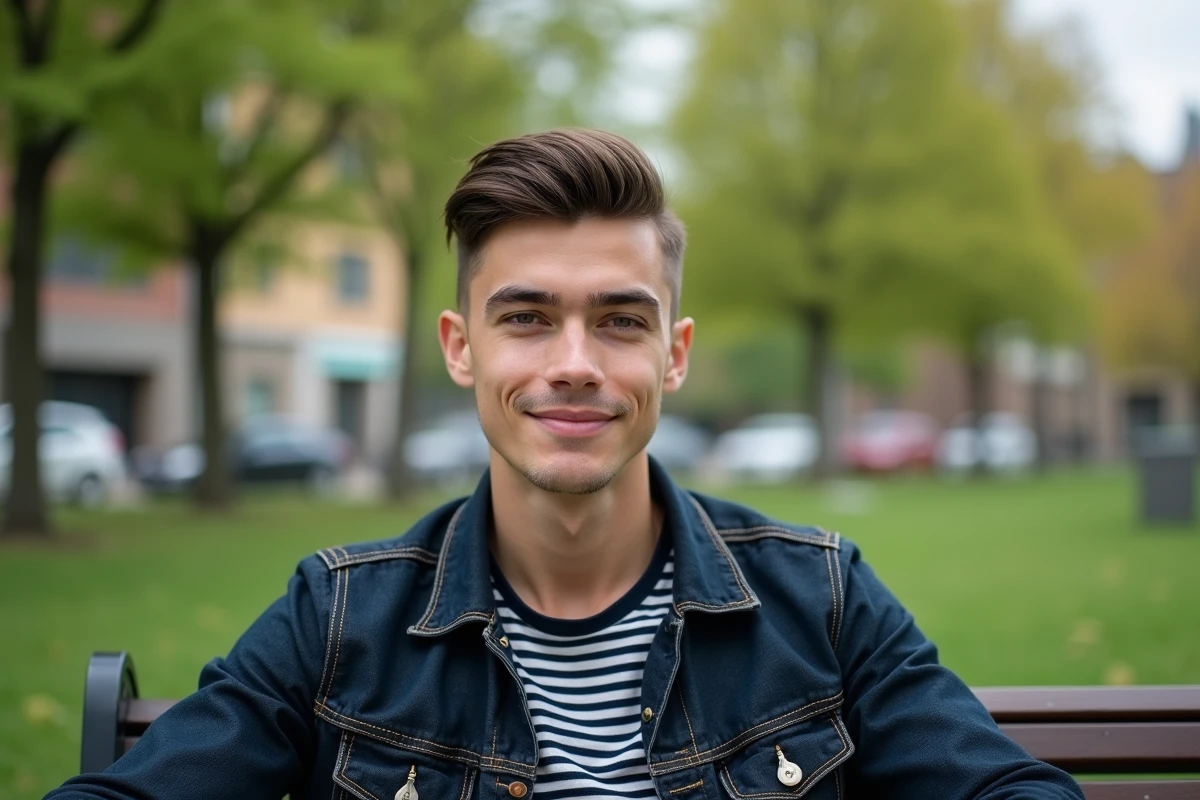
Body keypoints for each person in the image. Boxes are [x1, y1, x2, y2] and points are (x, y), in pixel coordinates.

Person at [46, 129, 1084, 800]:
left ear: (673, 354)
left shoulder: (820, 596)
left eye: (621, 321)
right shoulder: (337, 619)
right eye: (529, 318)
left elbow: (1003, 788)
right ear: (462, 347)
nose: (575, 364)